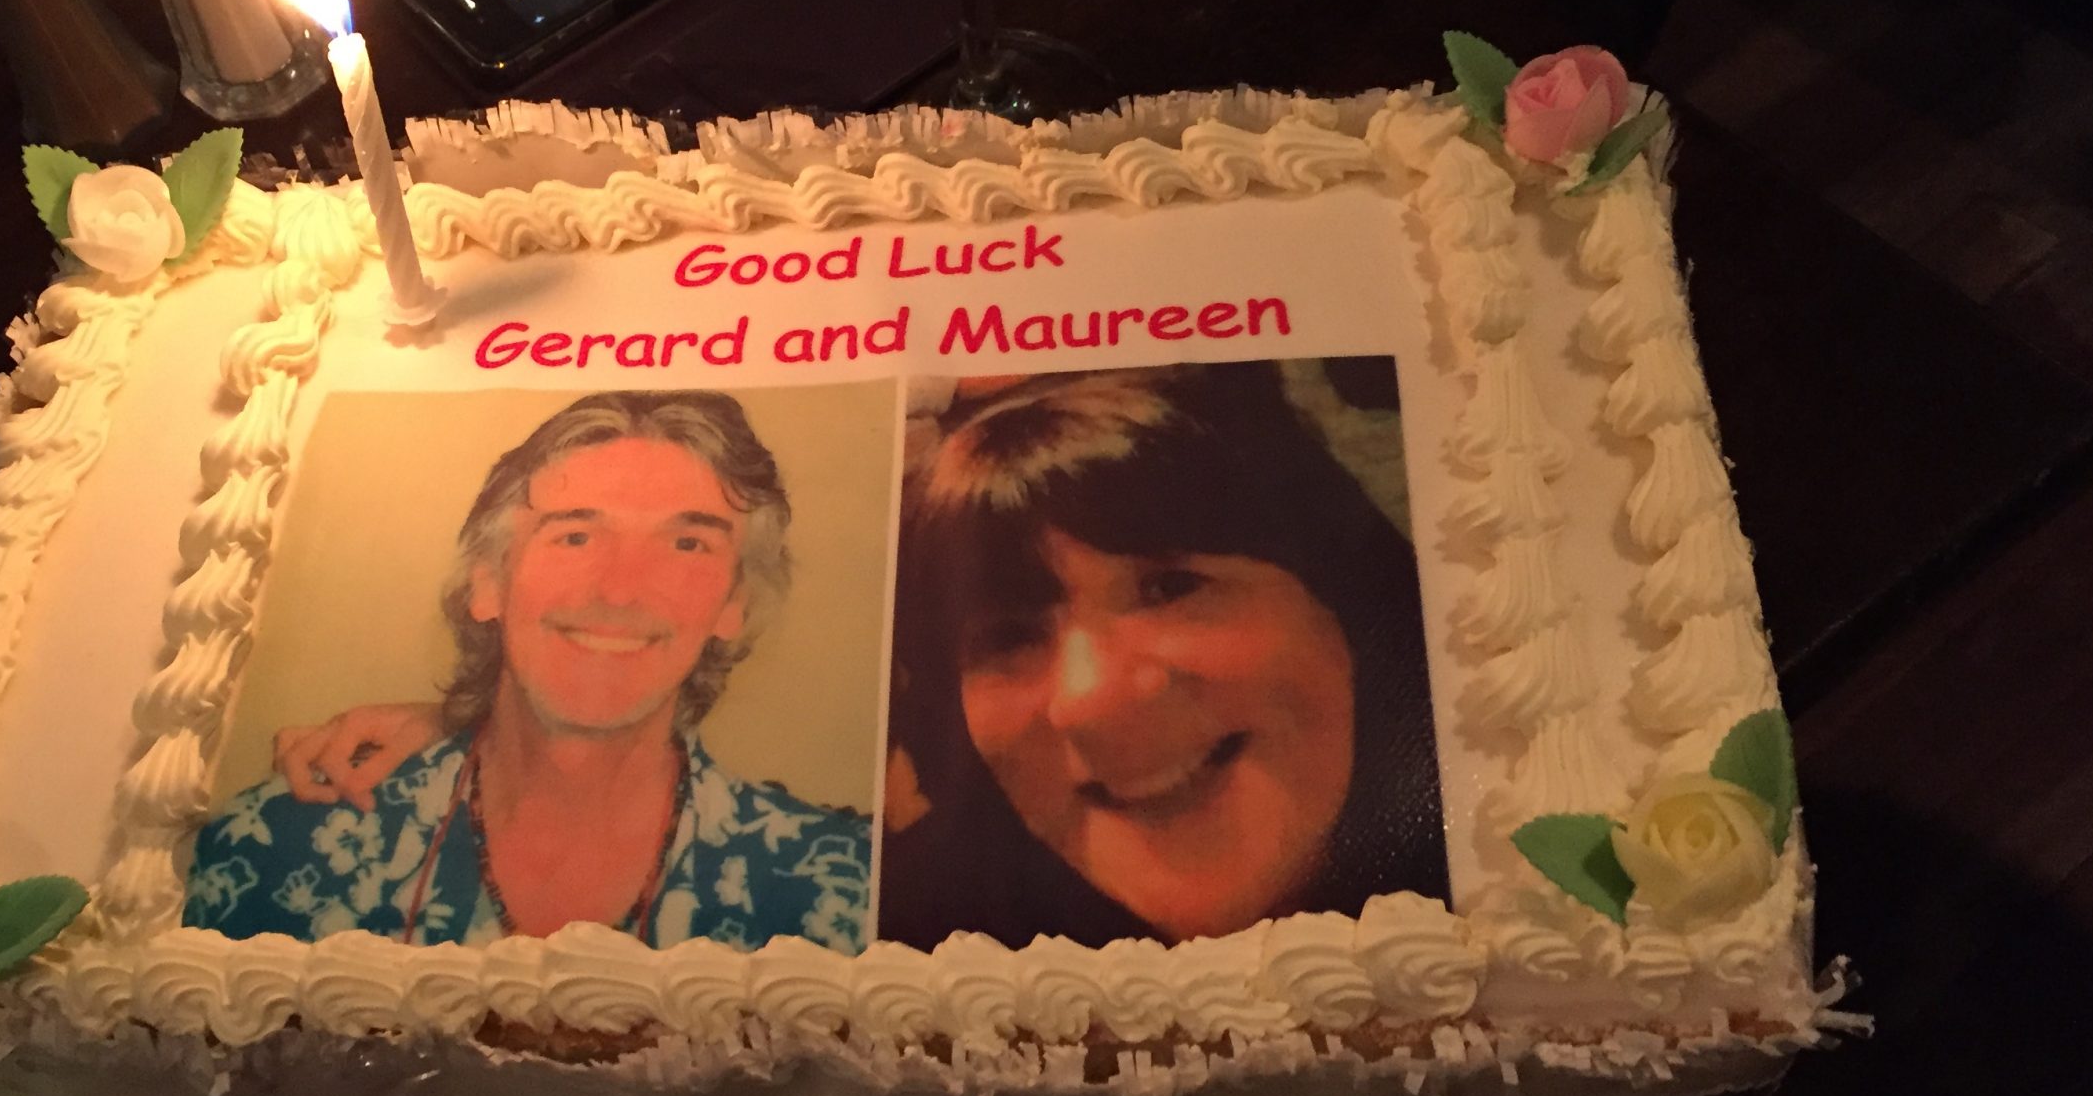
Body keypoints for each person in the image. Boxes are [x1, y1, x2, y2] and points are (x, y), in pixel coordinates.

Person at [185, 392, 873, 954]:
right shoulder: (278, 845)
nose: (620, 590)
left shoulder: (837, 887)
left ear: (734, 602)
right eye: (575, 535)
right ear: (487, 581)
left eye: (686, 544)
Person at [879, 360, 1445, 950]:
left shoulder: (1492, 883)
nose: (1090, 700)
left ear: (1343, 601)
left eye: (1169, 588)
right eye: (1009, 638)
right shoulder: (913, 943)